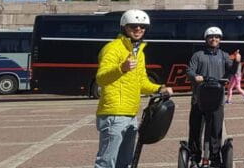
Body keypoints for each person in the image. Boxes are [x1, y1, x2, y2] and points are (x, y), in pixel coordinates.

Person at [94, 10, 173, 168]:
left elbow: (142, 82)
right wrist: (120, 68)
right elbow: (101, 78)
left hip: (131, 114)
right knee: (106, 162)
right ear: (124, 27)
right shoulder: (113, 48)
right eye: (134, 26)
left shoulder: (139, 54)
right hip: (113, 114)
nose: (138, 29)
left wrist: (160, 88)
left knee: (126, 162)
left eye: (142, 27)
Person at [186, 27, 236, 167]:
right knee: (195, 129)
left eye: (217, 37)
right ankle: (194, 157)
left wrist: (237, 61)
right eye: (211, 37)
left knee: (216, 130)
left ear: (220, 39)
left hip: (217, 99)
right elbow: (189, 70)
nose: (214, 39)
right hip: (199, 99)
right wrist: (195, 76)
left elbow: (232, 70)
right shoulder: (198, 55)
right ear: (206, 39)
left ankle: (215, 158)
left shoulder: (224, 55)